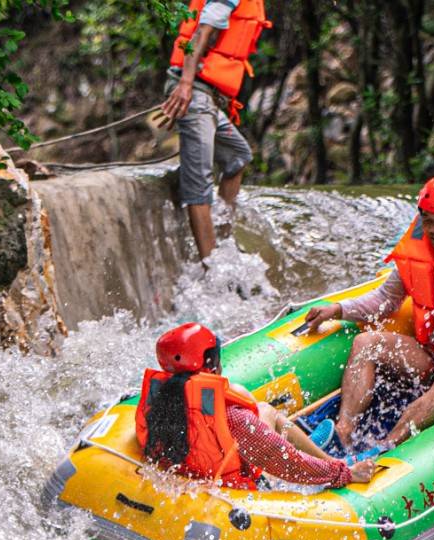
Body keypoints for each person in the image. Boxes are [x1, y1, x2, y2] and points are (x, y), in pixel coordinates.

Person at [300, 174, 434, 451]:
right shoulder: (418, 255)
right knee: (365, 343)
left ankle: (383, 449)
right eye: (428, 221)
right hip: (432, 355)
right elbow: (384, 300)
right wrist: (338, 310)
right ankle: (343, 434)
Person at [136, 323, 375, 489]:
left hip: (192, 480)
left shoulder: (158, 401)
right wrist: (343, 475)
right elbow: (286, 461)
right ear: (211, 365)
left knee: (266, 410)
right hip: (238, 492)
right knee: (269, 427)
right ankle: (335, 462)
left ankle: (316, 449)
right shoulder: (233, 417)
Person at [160, 0, 269, 260]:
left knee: (238, 156)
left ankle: (222, 242)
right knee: (199, 182)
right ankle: (211, 266)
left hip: (206, 97)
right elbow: (201, 31)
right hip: (195, 93)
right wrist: (185, 83)